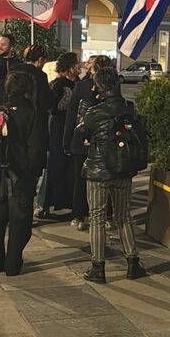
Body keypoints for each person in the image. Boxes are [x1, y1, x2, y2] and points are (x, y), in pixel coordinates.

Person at [74, 66, 146, 283]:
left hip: (99, 171)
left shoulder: (95, 111)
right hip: (123, 168)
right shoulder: (128, 108)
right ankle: (133, 262)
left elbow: (80, 130)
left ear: (98, 85)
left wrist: (85, 105)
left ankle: (98, 266)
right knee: (123, 216)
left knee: (97, 217)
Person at [0, 70, 48, 276]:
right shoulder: (32, 114)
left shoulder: (0, 112)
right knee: (20, 223)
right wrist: (34, 172)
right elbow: (36, 149)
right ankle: (12, 264)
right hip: (21, 176)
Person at [64, 55, 112, 230]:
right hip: (103, 139)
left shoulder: (81, 86)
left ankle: (79, 216)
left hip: (80, 137)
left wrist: (67, 140)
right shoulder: (112, 88)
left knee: (80, 179)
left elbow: (71, 115)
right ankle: (105, 215)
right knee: (105, 179)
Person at [41, 52, 80, 217]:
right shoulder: (58, 84)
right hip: (59, 128)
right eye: (76, 64)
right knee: (56, 164)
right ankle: (47, 203)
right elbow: (53, 107)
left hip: (73, 128)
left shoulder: (78, 83)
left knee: (70, 166)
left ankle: (68, 201)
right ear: (69, 67)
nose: (79, 66)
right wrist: (69, 101)